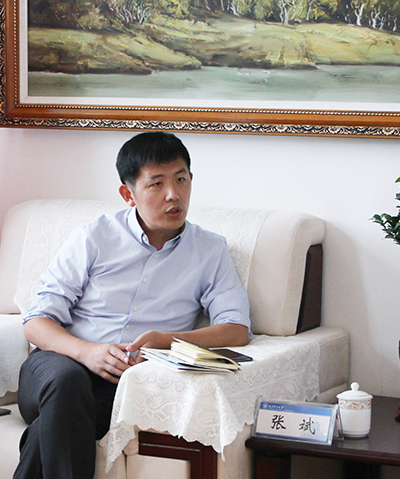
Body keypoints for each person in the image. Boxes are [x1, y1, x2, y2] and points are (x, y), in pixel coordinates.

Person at [13, 131, 251, 479]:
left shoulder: (209, 250)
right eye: (157, 184)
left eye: (181, 179)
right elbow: (36, 321)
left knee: (55, 426)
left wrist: (166, 340)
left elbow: (236, 330)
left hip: (126, 384)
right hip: (55, 368)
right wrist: (87, 352)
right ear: (128, 194)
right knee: (67, 384)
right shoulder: (94, 236)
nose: (173, 195)